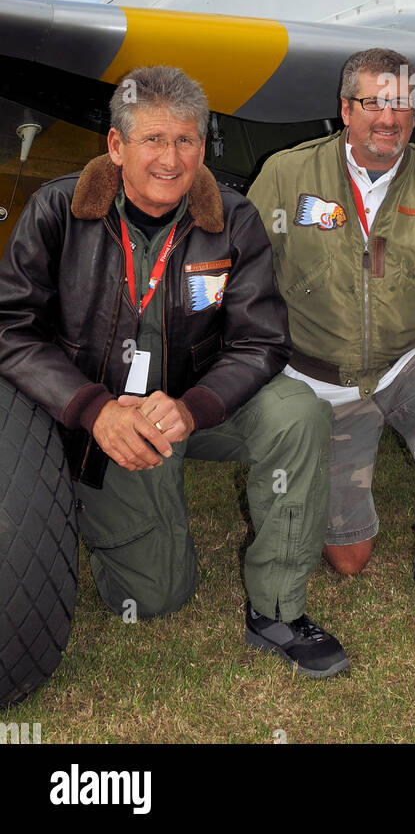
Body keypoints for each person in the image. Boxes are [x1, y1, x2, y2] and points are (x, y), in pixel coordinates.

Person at [0, 65, 347, 679]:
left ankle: (277, 611)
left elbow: (261, 341)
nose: (170, 158)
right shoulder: (58, 210)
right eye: (152, 140)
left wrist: (195, 407)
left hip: (192, 408)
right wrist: (92, 411)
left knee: (299, 410)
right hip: (97, 417)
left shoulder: (233, 219)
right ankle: (79, 495)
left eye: (186, 140)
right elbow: (10, 329)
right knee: (154, 599)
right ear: (116, 146)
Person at [247, 48, 415, 619]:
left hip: (407, 365)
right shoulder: (286, 175)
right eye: (375, 103)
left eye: (401, 104)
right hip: (317, 381)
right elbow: (245, 273)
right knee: (349, 559)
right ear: (347, 109)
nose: (388, 119)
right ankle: (311, 483)